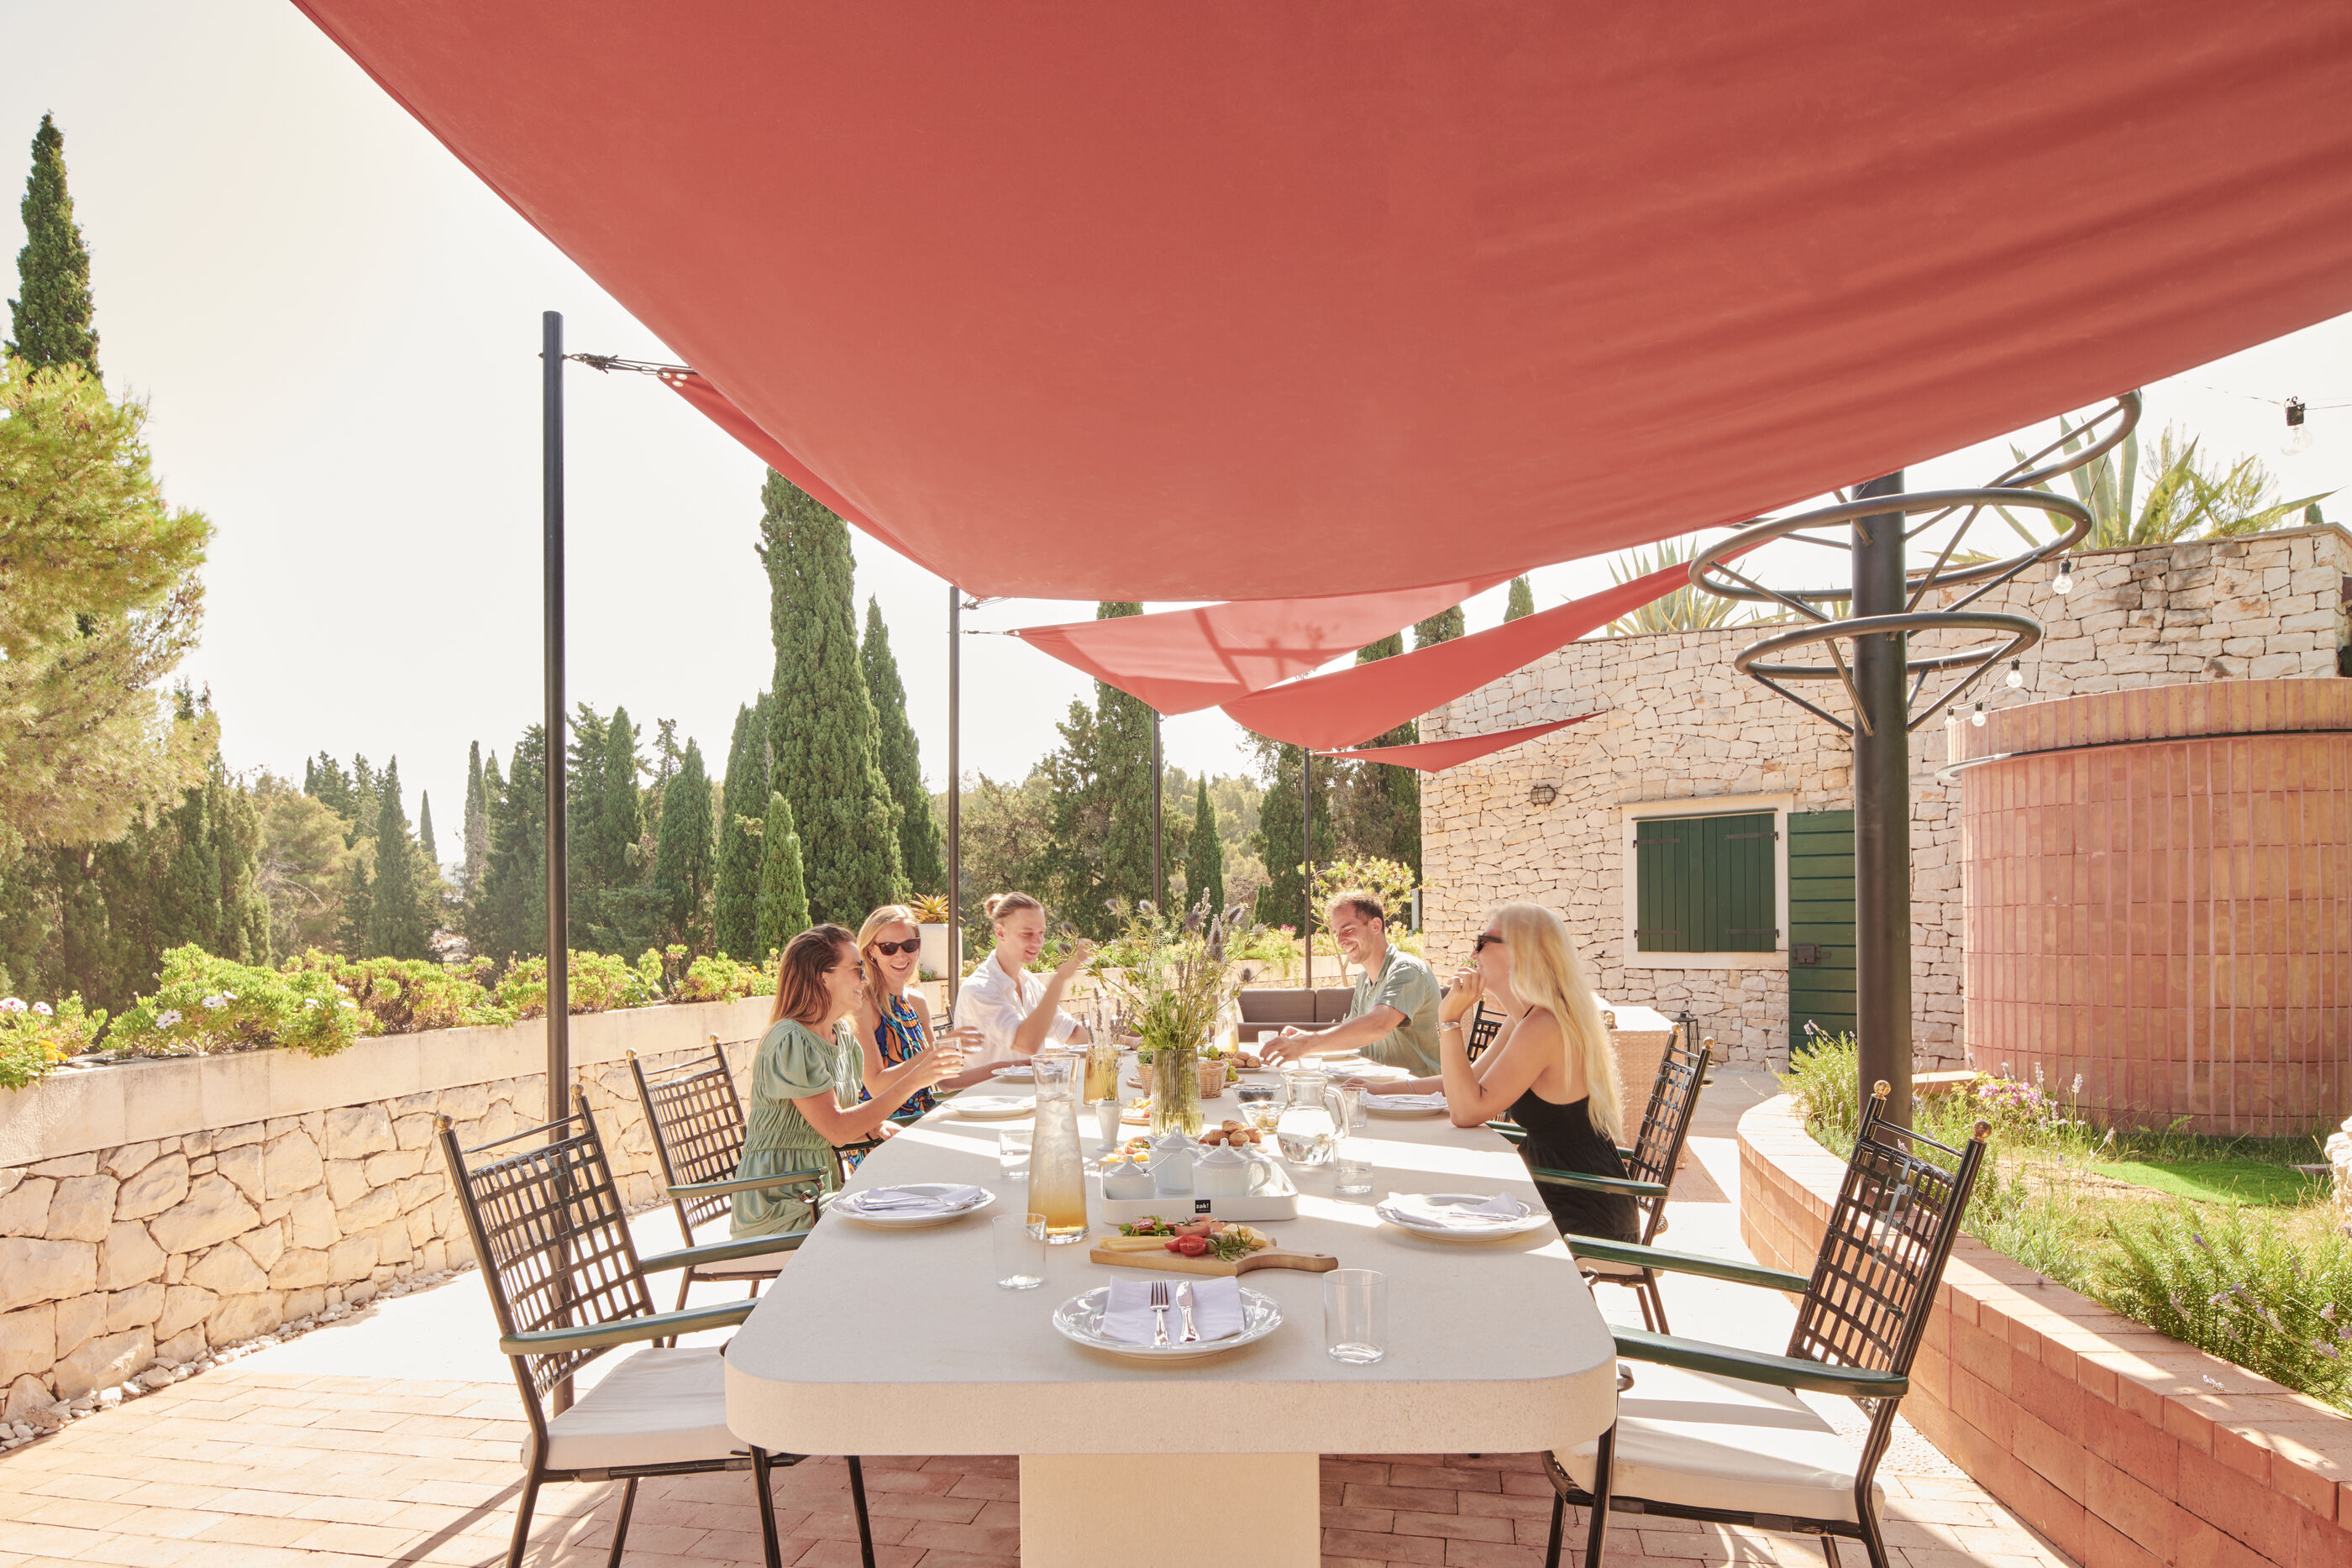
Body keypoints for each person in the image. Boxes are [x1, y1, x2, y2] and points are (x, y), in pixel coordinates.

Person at [1359, 901, 1636, 1242]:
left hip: (1583, 1208)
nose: (1473, 955)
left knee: (1431, 1235)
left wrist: (1449, 1020)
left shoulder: (1545, 1026)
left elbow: (1466, 1111)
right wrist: (1373, 1090)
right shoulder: (1526, 1019)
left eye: (1482, 942)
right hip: (1549, 1188)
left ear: (1522, 952)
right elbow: (1462, 1084)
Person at [731, 925, 961, 1239]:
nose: (865, 980)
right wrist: (914, 1080)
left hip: (819, 1192)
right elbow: (837, 1130)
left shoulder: (843, 1039)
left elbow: (836, 1122)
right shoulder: (790, 1040)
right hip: (778, 1203)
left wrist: (875, 1127)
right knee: (907, 1219)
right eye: (857, 970)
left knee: (933, 1201)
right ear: (823, 977)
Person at [1259, 891, 1441, 1073]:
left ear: (1376, 926)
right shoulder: (1364, 979)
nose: (1340, 941)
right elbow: (1354, 1034)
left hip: (1415, 1088)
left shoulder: (1407, 970)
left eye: (1348, 930)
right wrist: (1305, 1037)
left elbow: (1378, 1025)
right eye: (1337, 933)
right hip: (1374, 1085)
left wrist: (1306, 1044)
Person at [851, 904, 988, 1111]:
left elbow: (946, 1081)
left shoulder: (916, 1002)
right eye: (889, 948)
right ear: (871, 951)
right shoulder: (862, 1005)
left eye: (909, 945)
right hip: (886, 1127)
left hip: (924, 1118)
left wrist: (1007, 1068)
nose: (901, 955)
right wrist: (937, 1050)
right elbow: (877, 1086)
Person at [951, 891, 1095, 1071]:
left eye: (1041, 933)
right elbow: (1026, 1043)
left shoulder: (1029, 982)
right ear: (1000, 933)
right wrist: (1060, 978)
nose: (1038, 942)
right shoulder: (979, 989)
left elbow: (1070, 1032)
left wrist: (1124, 1043)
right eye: (1027, 934)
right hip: (990, 1089)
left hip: (1031, 1087)